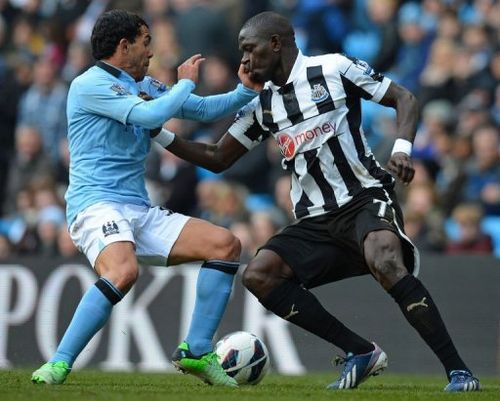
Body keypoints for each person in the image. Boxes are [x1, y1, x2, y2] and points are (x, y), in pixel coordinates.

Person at [159, 11, 480, 392]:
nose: (243, 61)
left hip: (363, 198)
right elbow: (216, 156)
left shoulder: (333, 68)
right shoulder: (264, 106)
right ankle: (360, 352)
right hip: (315, 220)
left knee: (385, 259)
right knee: (259, 274)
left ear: (275, 44)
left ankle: (459, 372)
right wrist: (158, 133)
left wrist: (403, 149)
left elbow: (403, 98)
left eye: (249, 50)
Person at [31, 9, 262, 387]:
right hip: (95, 204)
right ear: (124, 46)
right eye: (146, 42)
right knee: (123, 271)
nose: (150, 52)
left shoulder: (142, 83)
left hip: (137, 208)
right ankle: (57, 364)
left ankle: (197, 351)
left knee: (225, 244)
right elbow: (153, 114)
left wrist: (244, 92)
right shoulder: (89, 85)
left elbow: (200, 110)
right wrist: (184, 83)